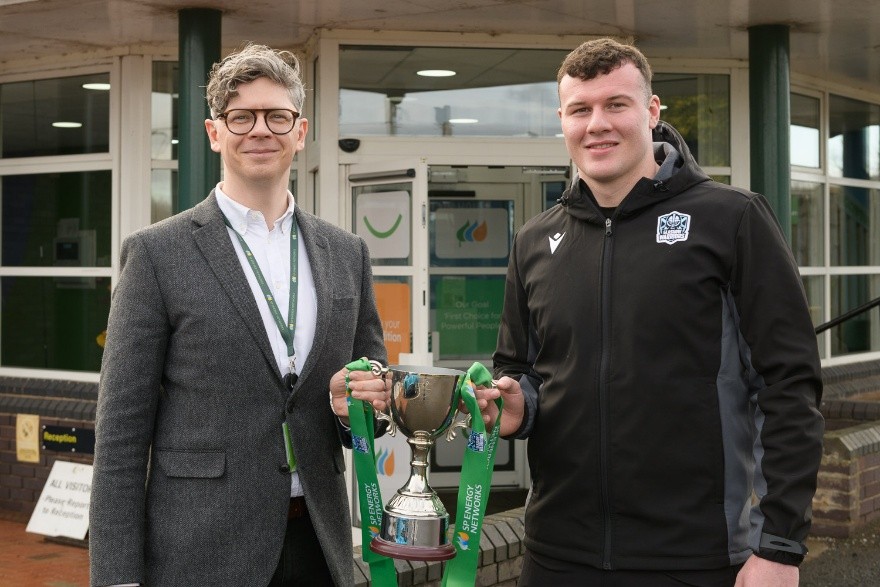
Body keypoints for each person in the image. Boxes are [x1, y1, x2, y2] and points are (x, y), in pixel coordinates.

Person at [475, 38, 824, 587]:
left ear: (652, 111)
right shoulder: (535, 240)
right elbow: (520, 370)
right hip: (557, 556)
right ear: (562, 120)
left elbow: (789, 385)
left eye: (616, 104)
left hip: (695, 557)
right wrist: (518, 405)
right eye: (580, 109)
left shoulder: (731, 220)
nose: (597, 124)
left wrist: (779, 545)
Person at [89, 43, 389, 587]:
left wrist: (357, 409)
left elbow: (370, 394)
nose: (260, 130)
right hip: (200, 551)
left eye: (277, 116)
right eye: (241, 117)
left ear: (300, 132)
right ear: (214, 133)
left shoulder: (347, 253)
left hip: (319, 546)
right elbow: (121, 433)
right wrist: (116, 576)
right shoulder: (158, 254)